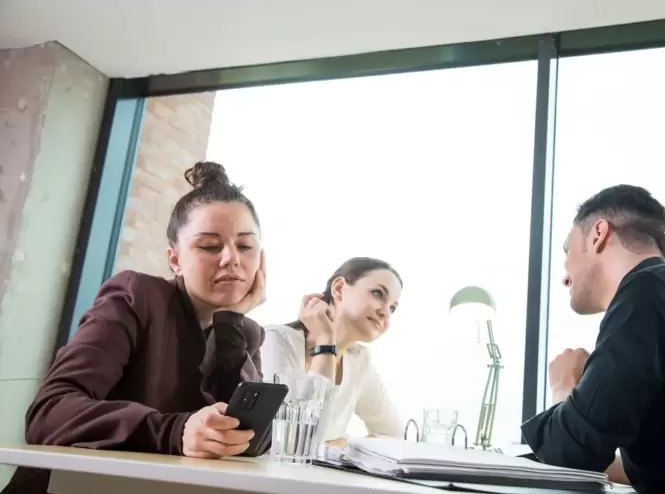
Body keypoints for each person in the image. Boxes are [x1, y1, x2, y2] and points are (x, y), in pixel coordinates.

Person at [4, 162, 267, 494]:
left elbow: (252, 438)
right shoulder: (136, 297)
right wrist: (176, 431)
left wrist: (231, 323)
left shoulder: (246, 333)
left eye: (246, 246)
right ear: (175, 260)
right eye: (210, 246)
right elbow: (49, 414)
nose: (231, 259)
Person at [521, 184, 665, 494]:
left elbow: (571, 455)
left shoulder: (645, 295)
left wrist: (564, 386)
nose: (564, 275)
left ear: (598, 233)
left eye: (567, 250)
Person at [261, 257, 404, 445]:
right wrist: (325, 342)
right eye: (378, 294)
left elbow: (393, 434)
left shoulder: (359, 360)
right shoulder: (276, 341)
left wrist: (344, 443)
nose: (385, 312)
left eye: (392, 307)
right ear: (338, 288)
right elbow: (299, 441)